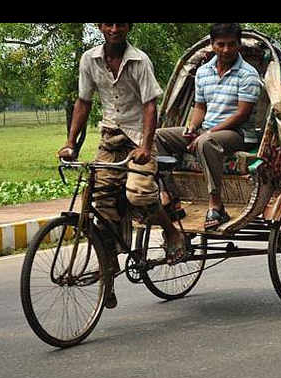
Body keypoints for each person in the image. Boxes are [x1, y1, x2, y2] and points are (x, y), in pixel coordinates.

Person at [58, 23, 186, 309]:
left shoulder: (139, 60)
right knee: (99, 201)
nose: (114, 28)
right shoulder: (89, 59)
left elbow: (150, 106)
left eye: (120, 23)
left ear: (129, 26)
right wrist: (70, 143)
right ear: (100, 26)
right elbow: (83, 101)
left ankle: (171, 230)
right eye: (108, 23)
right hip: (109, 138)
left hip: (139, 138)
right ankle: (109, 267)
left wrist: (145, 146)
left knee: (139, 194)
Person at [154, 23, 262, 230]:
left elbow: (242, 114)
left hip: (237, 134)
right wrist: (192, 127)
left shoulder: (248, 74)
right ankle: (170, 197)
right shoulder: (203, 72)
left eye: (231, 45)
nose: (226, 50)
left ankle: (216, 205)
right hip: (207, 130)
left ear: (239, 45)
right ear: (212, 45)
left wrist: (208, 132)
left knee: (205, 141)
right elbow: (200, 107)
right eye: (220, 44)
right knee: (158, 136)